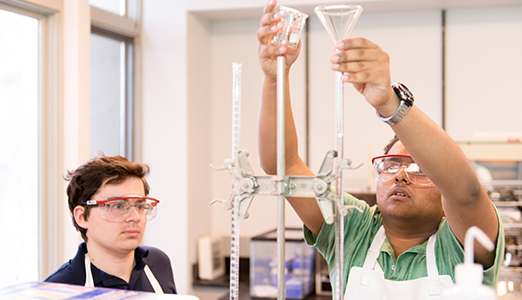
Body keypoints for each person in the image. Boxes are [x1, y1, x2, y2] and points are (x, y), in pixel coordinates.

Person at [257, 0, 504, 298]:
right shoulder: (352, 229)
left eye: (419, 169)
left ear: (442, 185)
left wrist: (389, 103)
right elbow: (283, 166)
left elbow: (467, 192)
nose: (401, 175)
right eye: (390, 164)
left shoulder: (459, 245)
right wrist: (274, 77)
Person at [44, 155, 177, 294]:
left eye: (139, 206)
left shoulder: (158, 263)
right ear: (82, 217)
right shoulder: (57, 289)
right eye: (118, 205)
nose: (135, 217)